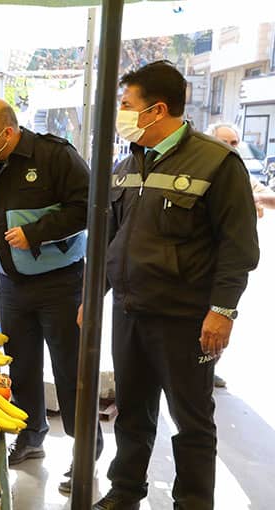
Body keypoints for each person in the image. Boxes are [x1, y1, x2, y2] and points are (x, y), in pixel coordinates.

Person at [91, 61, 259, 510]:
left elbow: (238, 248)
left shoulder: (216, 163)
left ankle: (193, 502)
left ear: (157, 109)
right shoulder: (126, 164)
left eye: (126, 105)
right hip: (129, 311)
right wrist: (92, 296)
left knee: (192, 419)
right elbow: (112, 238)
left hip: (185, 320)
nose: (121, 114)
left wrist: (222, 312)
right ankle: (125, 491)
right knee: (131, 410)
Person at [0, 98, 102, 488]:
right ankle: (31, 436)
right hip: (11, 285)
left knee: (71, 371)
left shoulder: (54, 156)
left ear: (8, 132)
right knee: (22, 366)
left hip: (61, 285)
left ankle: (85, 456)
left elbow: (90, 207)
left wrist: (37, 231)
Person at [204, 123, 274, 388]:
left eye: (235, 142)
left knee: (220, 315)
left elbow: (268, 196)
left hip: (226, 264)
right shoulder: (202, 167)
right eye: (226, 141)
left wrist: (253, 200)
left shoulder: (238, 171)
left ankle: (208, 367)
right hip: (197, 264)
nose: (232, 147)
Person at [206, 122, 275, 220]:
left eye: (234, 143)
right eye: (223, 143)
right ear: (210, 144)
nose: (230, 147)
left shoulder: (240, 172)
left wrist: (256, 198)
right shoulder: (201, 169)